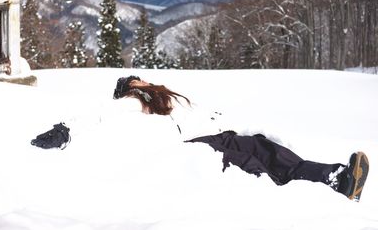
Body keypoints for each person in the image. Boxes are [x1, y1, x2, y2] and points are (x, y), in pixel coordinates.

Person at [113, 75, 369, 202]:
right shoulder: (132, 102)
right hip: (194, 148)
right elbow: (121, 123)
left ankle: (338, 178)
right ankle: (289, 205)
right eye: (136, 81)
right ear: (130, 89)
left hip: (219, 135)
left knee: (270, 151)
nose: (144, 81)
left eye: (141, 78)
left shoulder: (166, 95)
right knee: (248, 163)